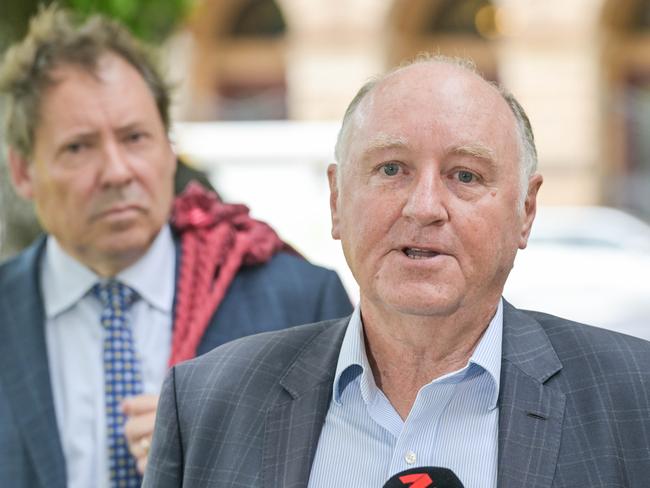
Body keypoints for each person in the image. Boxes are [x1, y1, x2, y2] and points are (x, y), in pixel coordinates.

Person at [144, 55, 650, 488]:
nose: (424, 206)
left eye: (465, 175)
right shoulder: (207, 402)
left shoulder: (633, 398)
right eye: (391, 169)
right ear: (337, 200)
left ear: (526, 211)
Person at [0, 7, 352, 488]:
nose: (118, 171)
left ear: (169, 149)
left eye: (136, 137)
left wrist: (214, 456)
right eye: (79, 147)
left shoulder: (298, 303)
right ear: (22, 171)